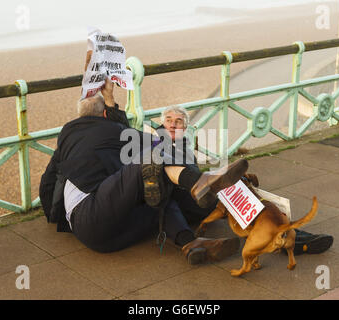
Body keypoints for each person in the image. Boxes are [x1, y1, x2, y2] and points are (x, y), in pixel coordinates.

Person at [39, 76, 251, 265]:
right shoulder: (111, 131)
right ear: (105, 114)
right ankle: (199, 182)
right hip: (94, 215)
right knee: (152, 158)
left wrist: (52, 214)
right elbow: (155, 146)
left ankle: (191, 243)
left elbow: (48, 181)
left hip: (100, 233)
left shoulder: (66, 138)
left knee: (155, 190)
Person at [157, 105, 334, 256]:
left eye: (178, 121)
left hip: (190, 202)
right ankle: (288, 238)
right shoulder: (157, 143)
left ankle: (291, 236)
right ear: (162, 123)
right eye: (169, 120)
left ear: (185, 127)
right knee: (236, 197)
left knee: (243, 197)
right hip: (173, 205)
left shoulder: (182, 146)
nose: (173, 125)